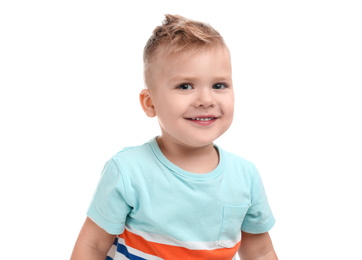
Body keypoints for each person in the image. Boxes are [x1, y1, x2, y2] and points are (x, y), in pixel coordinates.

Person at [71, 14, 277, 260]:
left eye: (219, 85)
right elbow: (92, 247)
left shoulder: (245, 177)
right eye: (185, 86)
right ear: (150, 103)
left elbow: (260, 252)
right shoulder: (127, 171)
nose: (206, 100)